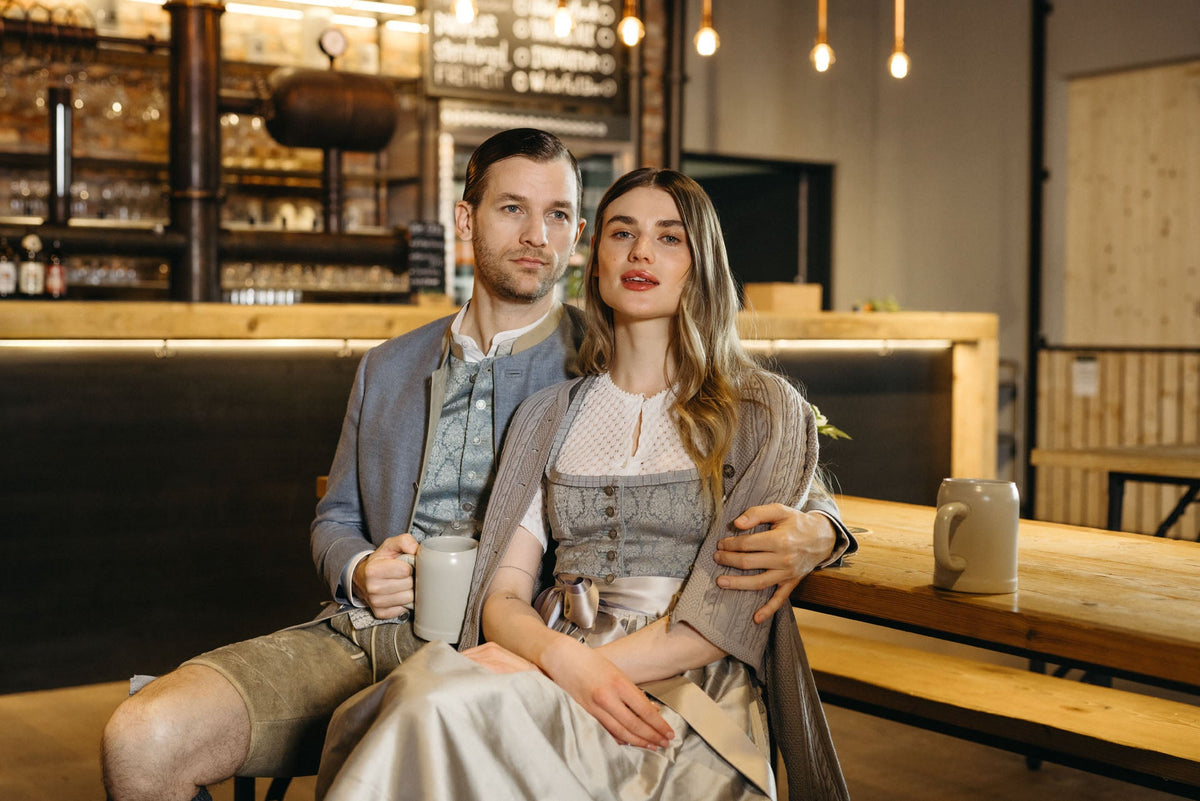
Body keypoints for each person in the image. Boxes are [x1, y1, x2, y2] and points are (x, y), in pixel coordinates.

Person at [101, 130, 853, 801]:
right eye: (512, 210)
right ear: (466, 220)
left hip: (494, 649)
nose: (537, 235)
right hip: (369, 633)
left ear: (578, 240)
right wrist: (360, 566)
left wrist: (822, 530)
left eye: (558, 214)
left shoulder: (610, 344)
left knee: (424, 715)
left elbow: (778, 464)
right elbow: (335, 516)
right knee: (141, 739)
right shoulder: (391, 366)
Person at [315, 167, 851, 801]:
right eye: (622, 233)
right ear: (594, 262)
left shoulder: (764, 410)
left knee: (429, 704)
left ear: (702, 263)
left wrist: (558, 669)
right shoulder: (550, 412)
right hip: (551, 657)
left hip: (685, 691)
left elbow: (716, 624)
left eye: (670, 238)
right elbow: (504, 595)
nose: (641, 252)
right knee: (408, 700)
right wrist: (556, 658)